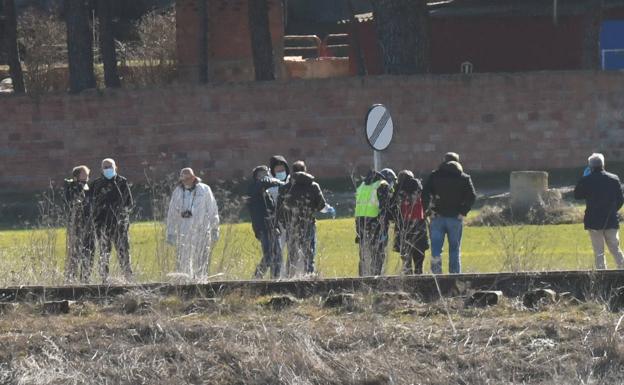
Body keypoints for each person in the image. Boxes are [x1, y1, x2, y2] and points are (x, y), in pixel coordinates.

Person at [423, 154, 476, 274]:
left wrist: (429, 211)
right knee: (454, 250)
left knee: (436, 250)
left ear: (443, 161)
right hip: (455, 218)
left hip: (437, 217)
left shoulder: (434, 176)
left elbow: (424, 194)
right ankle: (455, 276)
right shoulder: (464, 178)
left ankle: (436, 277)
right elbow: (472, 196)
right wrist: (463, 212)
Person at [166, 168, 220, 280]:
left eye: (188, 178)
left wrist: (215, 228)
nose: (186, 180)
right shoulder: (177, 192)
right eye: (183, 178)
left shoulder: (204, 189)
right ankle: (186, 283)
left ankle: (201, 282)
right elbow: (172, 213)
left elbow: (212, 209)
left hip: (202, 230)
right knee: (183, 260)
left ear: (194, 177)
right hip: (184, 231)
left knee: (201, 259)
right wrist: (170, 232)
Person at [277, 160, 328, 277]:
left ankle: (290, 278)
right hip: (308, 223)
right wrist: (312, 209)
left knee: (292, 255)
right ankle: (309, 277)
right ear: (305, 171)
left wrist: (283, 222)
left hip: (291, 225)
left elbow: (279, 209)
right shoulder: (313, 186)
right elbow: (321, 205)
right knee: (309, 254)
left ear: (292, 172)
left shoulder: (285, 188)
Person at [574, 153, 624, 270]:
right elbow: (620, 199)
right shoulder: (614, 178)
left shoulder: (587, 180)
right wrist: (612, 210)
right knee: (615, 248)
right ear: (603, 164)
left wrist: (583, 179)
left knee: (599, 251)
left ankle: (602, 275)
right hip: (610, 219)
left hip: (593, 220)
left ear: (590, 166)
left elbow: (577, 195)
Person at [89, 158, 134, 283]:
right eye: (105, 167)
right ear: (101, 169)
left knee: (123, 251)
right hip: (102, 225)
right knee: (104, 252)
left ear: (116, 167)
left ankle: (128, 277)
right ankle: (104, 279)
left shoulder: (122, 182)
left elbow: (129, 203)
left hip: (119, 224)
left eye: (110, 166)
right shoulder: (96, 184)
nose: (108, 169)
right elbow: (91, 203)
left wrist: (122, 216)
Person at [247, 165, 285, 279]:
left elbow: (271, 210)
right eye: (265, 173)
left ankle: (274, 279)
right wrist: (283, 184)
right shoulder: (255, 187)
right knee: (269, 256)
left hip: (271, 227)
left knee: (276, 256)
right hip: (264, 227)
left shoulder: (264, 191)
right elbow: (267, 181)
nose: (268, 174)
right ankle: (257, 278)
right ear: (258, 175)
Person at [355, 169, 392, 276]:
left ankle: (362, 279)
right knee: (378, 253)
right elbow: (384, 208)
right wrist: (384, 229)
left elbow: (358, 206)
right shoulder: (382, 185)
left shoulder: (362, 185)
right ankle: (375, 279)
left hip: (361, 223)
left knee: (363, 255)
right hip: (375, 223)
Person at [392, 171, 429, 275]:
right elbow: (426, 203)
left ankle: (408, 280)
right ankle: (419, 275)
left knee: (406, 259)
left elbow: (392, 208)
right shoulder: (419, 188)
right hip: (418, 225)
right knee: (419, 257)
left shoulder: (398, 190)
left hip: (403, 226)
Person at [64, 165, 95, 283]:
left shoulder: (88, 187)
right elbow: (72, 203)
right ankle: (71, 279)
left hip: (89, 225)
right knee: (75, 254)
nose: (87, 176)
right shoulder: (73, 187)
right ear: (77, 176)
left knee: (89, 252)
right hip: (77, 226)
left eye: (88, 174)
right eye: (84, 174)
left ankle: (85, 278)